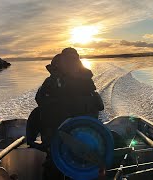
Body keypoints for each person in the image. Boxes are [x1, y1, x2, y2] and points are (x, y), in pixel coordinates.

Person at [26, 47, 104, 179]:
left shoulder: (84, 82)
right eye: (69, 60)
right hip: (70, 144)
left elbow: (39, 103)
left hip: (71, 143)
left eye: (73, 60)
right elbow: (99, 107)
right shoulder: (83, 82)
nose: (71, 63)